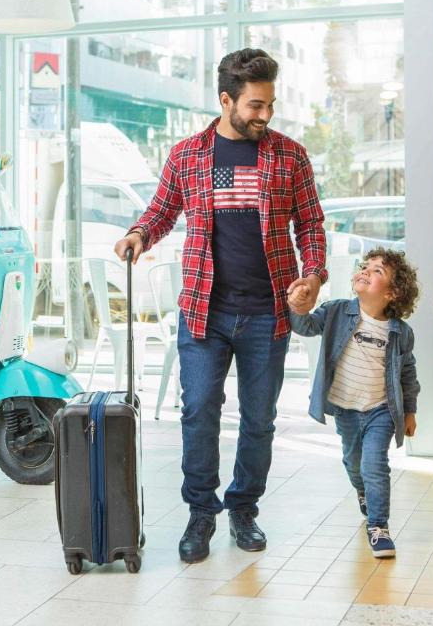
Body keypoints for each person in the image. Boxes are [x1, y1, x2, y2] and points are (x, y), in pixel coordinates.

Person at [114, 48, 327, 563]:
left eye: (270, 104)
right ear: (226, 99)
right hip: (204, 311)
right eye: (255, 105)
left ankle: (244, 507)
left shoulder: (290, 155)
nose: (265, 115)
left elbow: (310, 224)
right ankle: (200, 513)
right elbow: (163, 210)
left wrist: (314, 274)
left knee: (259, 419)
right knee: (199, 411)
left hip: (268, 313)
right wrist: (140, 234)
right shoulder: (188, 155)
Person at [289, 248, 420, 558]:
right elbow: (305, 327)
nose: (365, 271)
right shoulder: (336, 311)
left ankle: (379, 526)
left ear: (393, 292)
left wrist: (410, 410)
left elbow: (407, 373)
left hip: (381, 410)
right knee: (353, 463)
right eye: (365, 266)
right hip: (346, 407)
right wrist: (297, 304)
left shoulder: (400, 332)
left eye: (377, 271)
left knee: (375, 465)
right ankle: (363, 492)